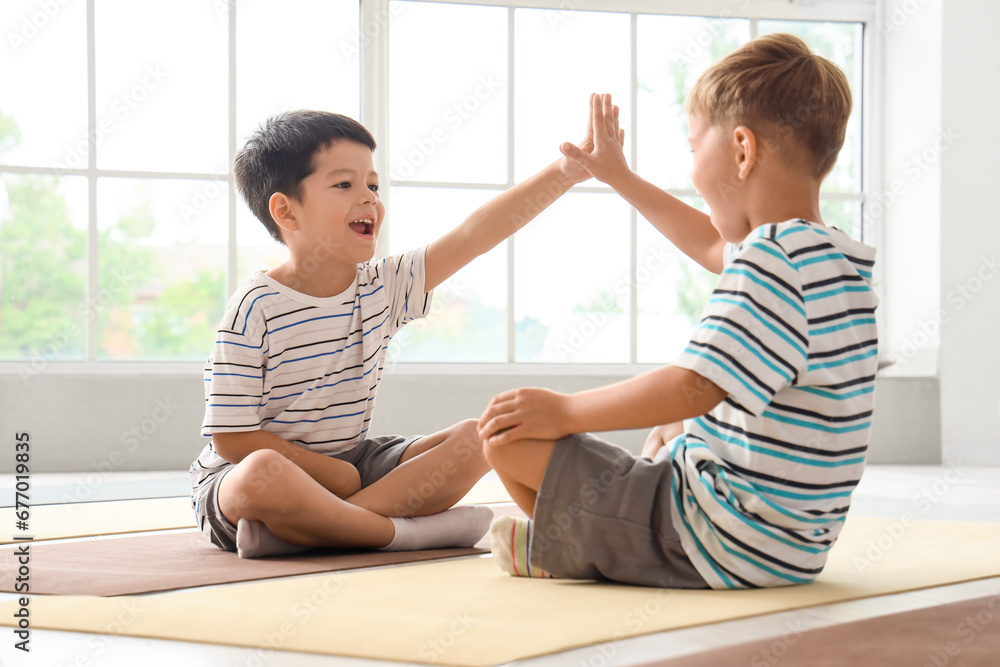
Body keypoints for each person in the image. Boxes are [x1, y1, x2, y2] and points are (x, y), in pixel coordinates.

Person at [479, 33, 878, 589]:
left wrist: (565, 412)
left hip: (719, 534)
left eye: (694, 150)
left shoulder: (772, 257)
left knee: (507, 436)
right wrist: (618, 175)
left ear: (742, 150)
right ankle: (586, 540)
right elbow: (710, 245)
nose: (692, 172)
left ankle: (573, 548)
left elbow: (695, 387)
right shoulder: (833, 259)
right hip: (792, 551)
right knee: (671, 433)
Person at [191, 108, 603, 558]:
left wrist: (565, 172)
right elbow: (232, 439)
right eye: (344, 184)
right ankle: (403, 533)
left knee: (479, 437)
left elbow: (473, 234)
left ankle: (312, 530)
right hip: (251, 479)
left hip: (353, 460)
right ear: (286, 211)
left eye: (373, 184)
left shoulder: (383, 287)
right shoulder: (255, 307)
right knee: (260, 473)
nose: (368, 198)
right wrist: (335, 478)